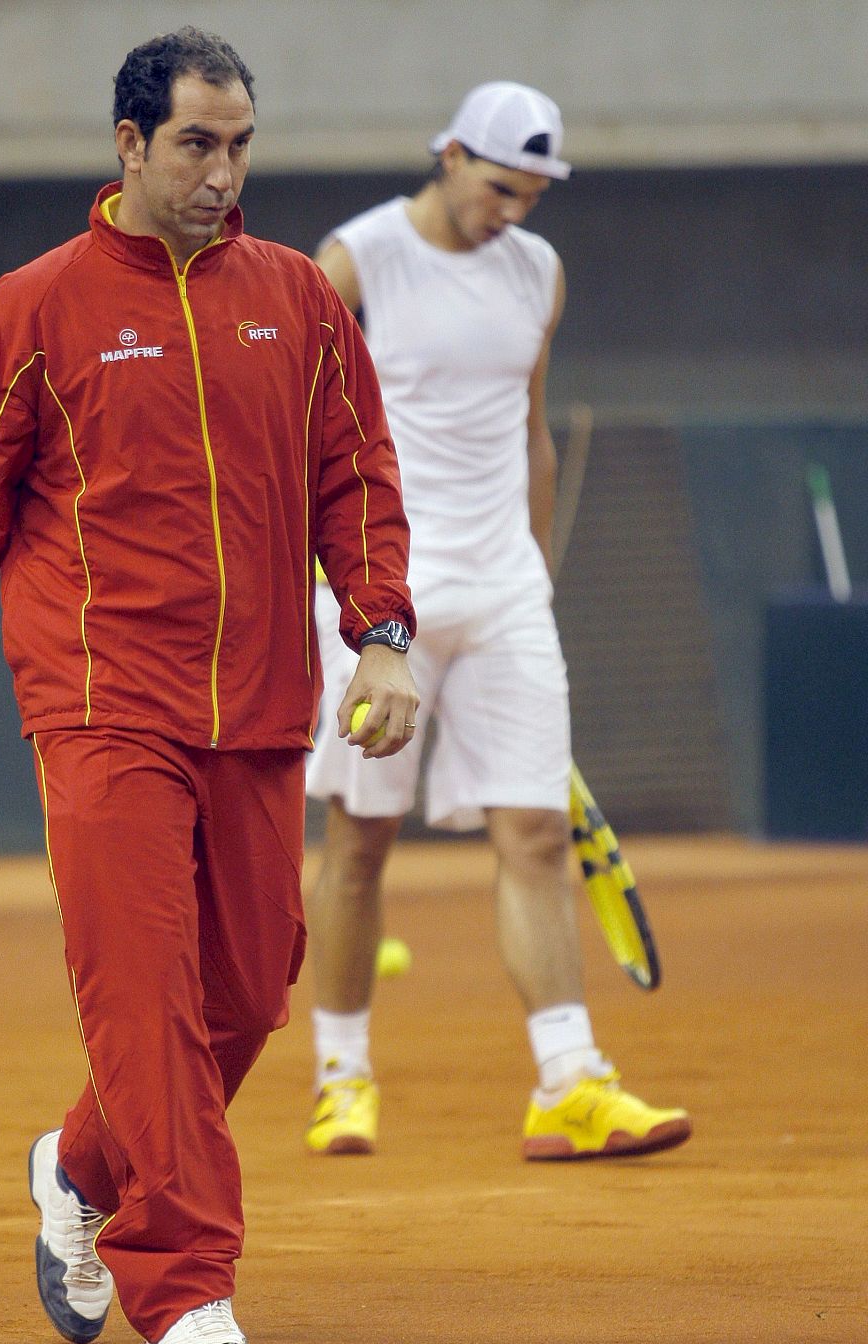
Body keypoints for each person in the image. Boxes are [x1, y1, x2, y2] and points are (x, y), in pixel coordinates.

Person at [0, 27, 419, 1344]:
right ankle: (181, 1289)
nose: (224, 172)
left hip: (266, 707)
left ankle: (81, 1161)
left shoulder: (297, 296)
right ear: (129, 147)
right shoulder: (33, 309)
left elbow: (357, 475)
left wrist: (384, 635)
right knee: (147, 997)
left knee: (247, 992)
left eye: (240, 146)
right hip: (105, 704)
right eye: (195, 146)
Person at [303, 81, 692, 1162]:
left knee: (532, 835)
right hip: (382, 601)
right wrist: (329, 587)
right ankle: (342, 1074)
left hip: (506, 591)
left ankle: (568, 1080)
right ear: (448, 155)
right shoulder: (356, 260)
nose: (510, 211)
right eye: (496, 187)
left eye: (528, 195)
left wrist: (532, 576)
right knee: (360, 842)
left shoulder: (538, 272)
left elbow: (530, 433)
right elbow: (296, 435)